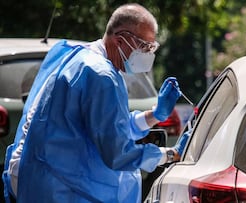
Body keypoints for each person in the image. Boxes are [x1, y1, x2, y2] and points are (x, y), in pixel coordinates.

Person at [2, 3, 187, 203]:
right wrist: (171, 154)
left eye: (152, 47)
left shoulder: (84, 57)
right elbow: (117, 152)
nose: (149, 54)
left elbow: (109, 126)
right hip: (55, 185)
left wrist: (155, 116)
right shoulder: (101, 75)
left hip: (40, 172)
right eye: (145, 46)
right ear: (120, 39)